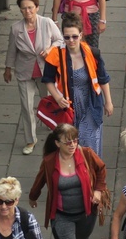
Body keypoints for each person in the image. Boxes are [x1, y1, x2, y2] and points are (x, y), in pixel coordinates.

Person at [29, 124, 107, 239]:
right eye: (68, 142)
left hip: (86, 211)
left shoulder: (86, 153)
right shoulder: (50, 161)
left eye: (75, 141)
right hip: (61, 214)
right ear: (57, 144)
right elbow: (40, 179)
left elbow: (101, 170)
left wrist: (98, 191)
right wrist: (33, 196)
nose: (72, 145)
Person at [42, 13, 113, 155]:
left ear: (81, 35)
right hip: (69, 108)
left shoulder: (92, 53)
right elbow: (48, 80)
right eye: (67, 37)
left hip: (90, 105)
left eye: (74, 36)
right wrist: (57, 97)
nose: (71, 40)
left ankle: (92, 174)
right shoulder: (56, 55)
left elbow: (103, 79)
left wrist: (108, 102)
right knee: (70, 146)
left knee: (89, 147)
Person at [4, 0, 64, 155]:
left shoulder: (47, 23)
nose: (28, 11)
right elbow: (12, 50)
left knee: (50, 102)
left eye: (30, 8)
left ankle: (54, 130)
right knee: (26, 106)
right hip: (25, 72)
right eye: (24, 9)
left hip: (46, 72)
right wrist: (8, 68)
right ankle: (30, 140)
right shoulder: (16, 29)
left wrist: (49, 49)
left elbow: (60, 41)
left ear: (37, 8)